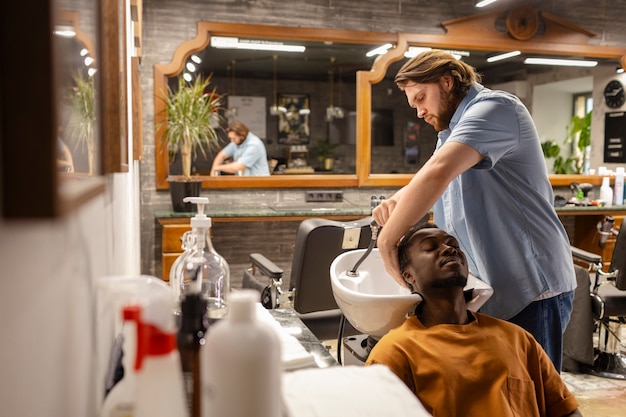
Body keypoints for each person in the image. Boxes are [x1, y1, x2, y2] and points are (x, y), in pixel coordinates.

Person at [371, 50, 576, 372]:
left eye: (422, 98)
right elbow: (433, 177)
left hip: (531, 284)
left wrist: (388, 242)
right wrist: (398, 199)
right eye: (414, 104)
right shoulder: (451, 132)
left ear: (447, 82)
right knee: (501, 394)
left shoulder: (495, 109)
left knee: (533, 396)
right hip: (492, 283)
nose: (420, 111)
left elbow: (440, 170)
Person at [366, 223, 582, 417]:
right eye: (431, 247)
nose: (449, 249)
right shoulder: (395, 353)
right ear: (408, 276)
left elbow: (565, 410)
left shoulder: (518, 339)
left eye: (453, 244)